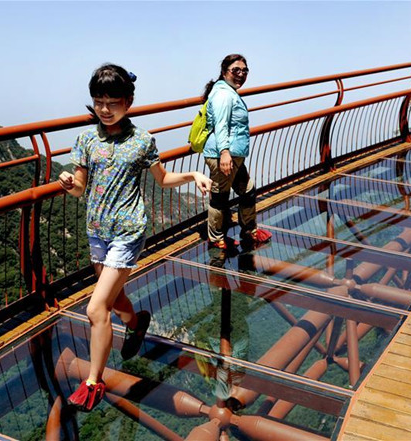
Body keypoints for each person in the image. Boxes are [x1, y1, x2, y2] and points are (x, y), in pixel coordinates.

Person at [58, 63, 211, 412]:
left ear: (128, 101)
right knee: (114, 299)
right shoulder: (85, 140)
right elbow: (81, 189)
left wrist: (191, 174)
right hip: (96, 231)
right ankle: (136, 321)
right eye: (99, 101)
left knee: (96, 308)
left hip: (128, 232)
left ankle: (94, 382)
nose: (105, 109)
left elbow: (162, 179)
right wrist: (68, 183)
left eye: (113, 101)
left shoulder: (142, 141)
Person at [202, 54, 271, 250]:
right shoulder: (223, 94)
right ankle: (216, 239)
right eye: (236, 70)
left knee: (247, 190)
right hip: (224, 156)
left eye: (244, 71)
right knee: (220, 197)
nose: (241, 74)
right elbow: (221, 125)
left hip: (234, 156)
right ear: (225, 72)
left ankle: (249, 230)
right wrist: (224, 153)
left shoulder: (229, 92)